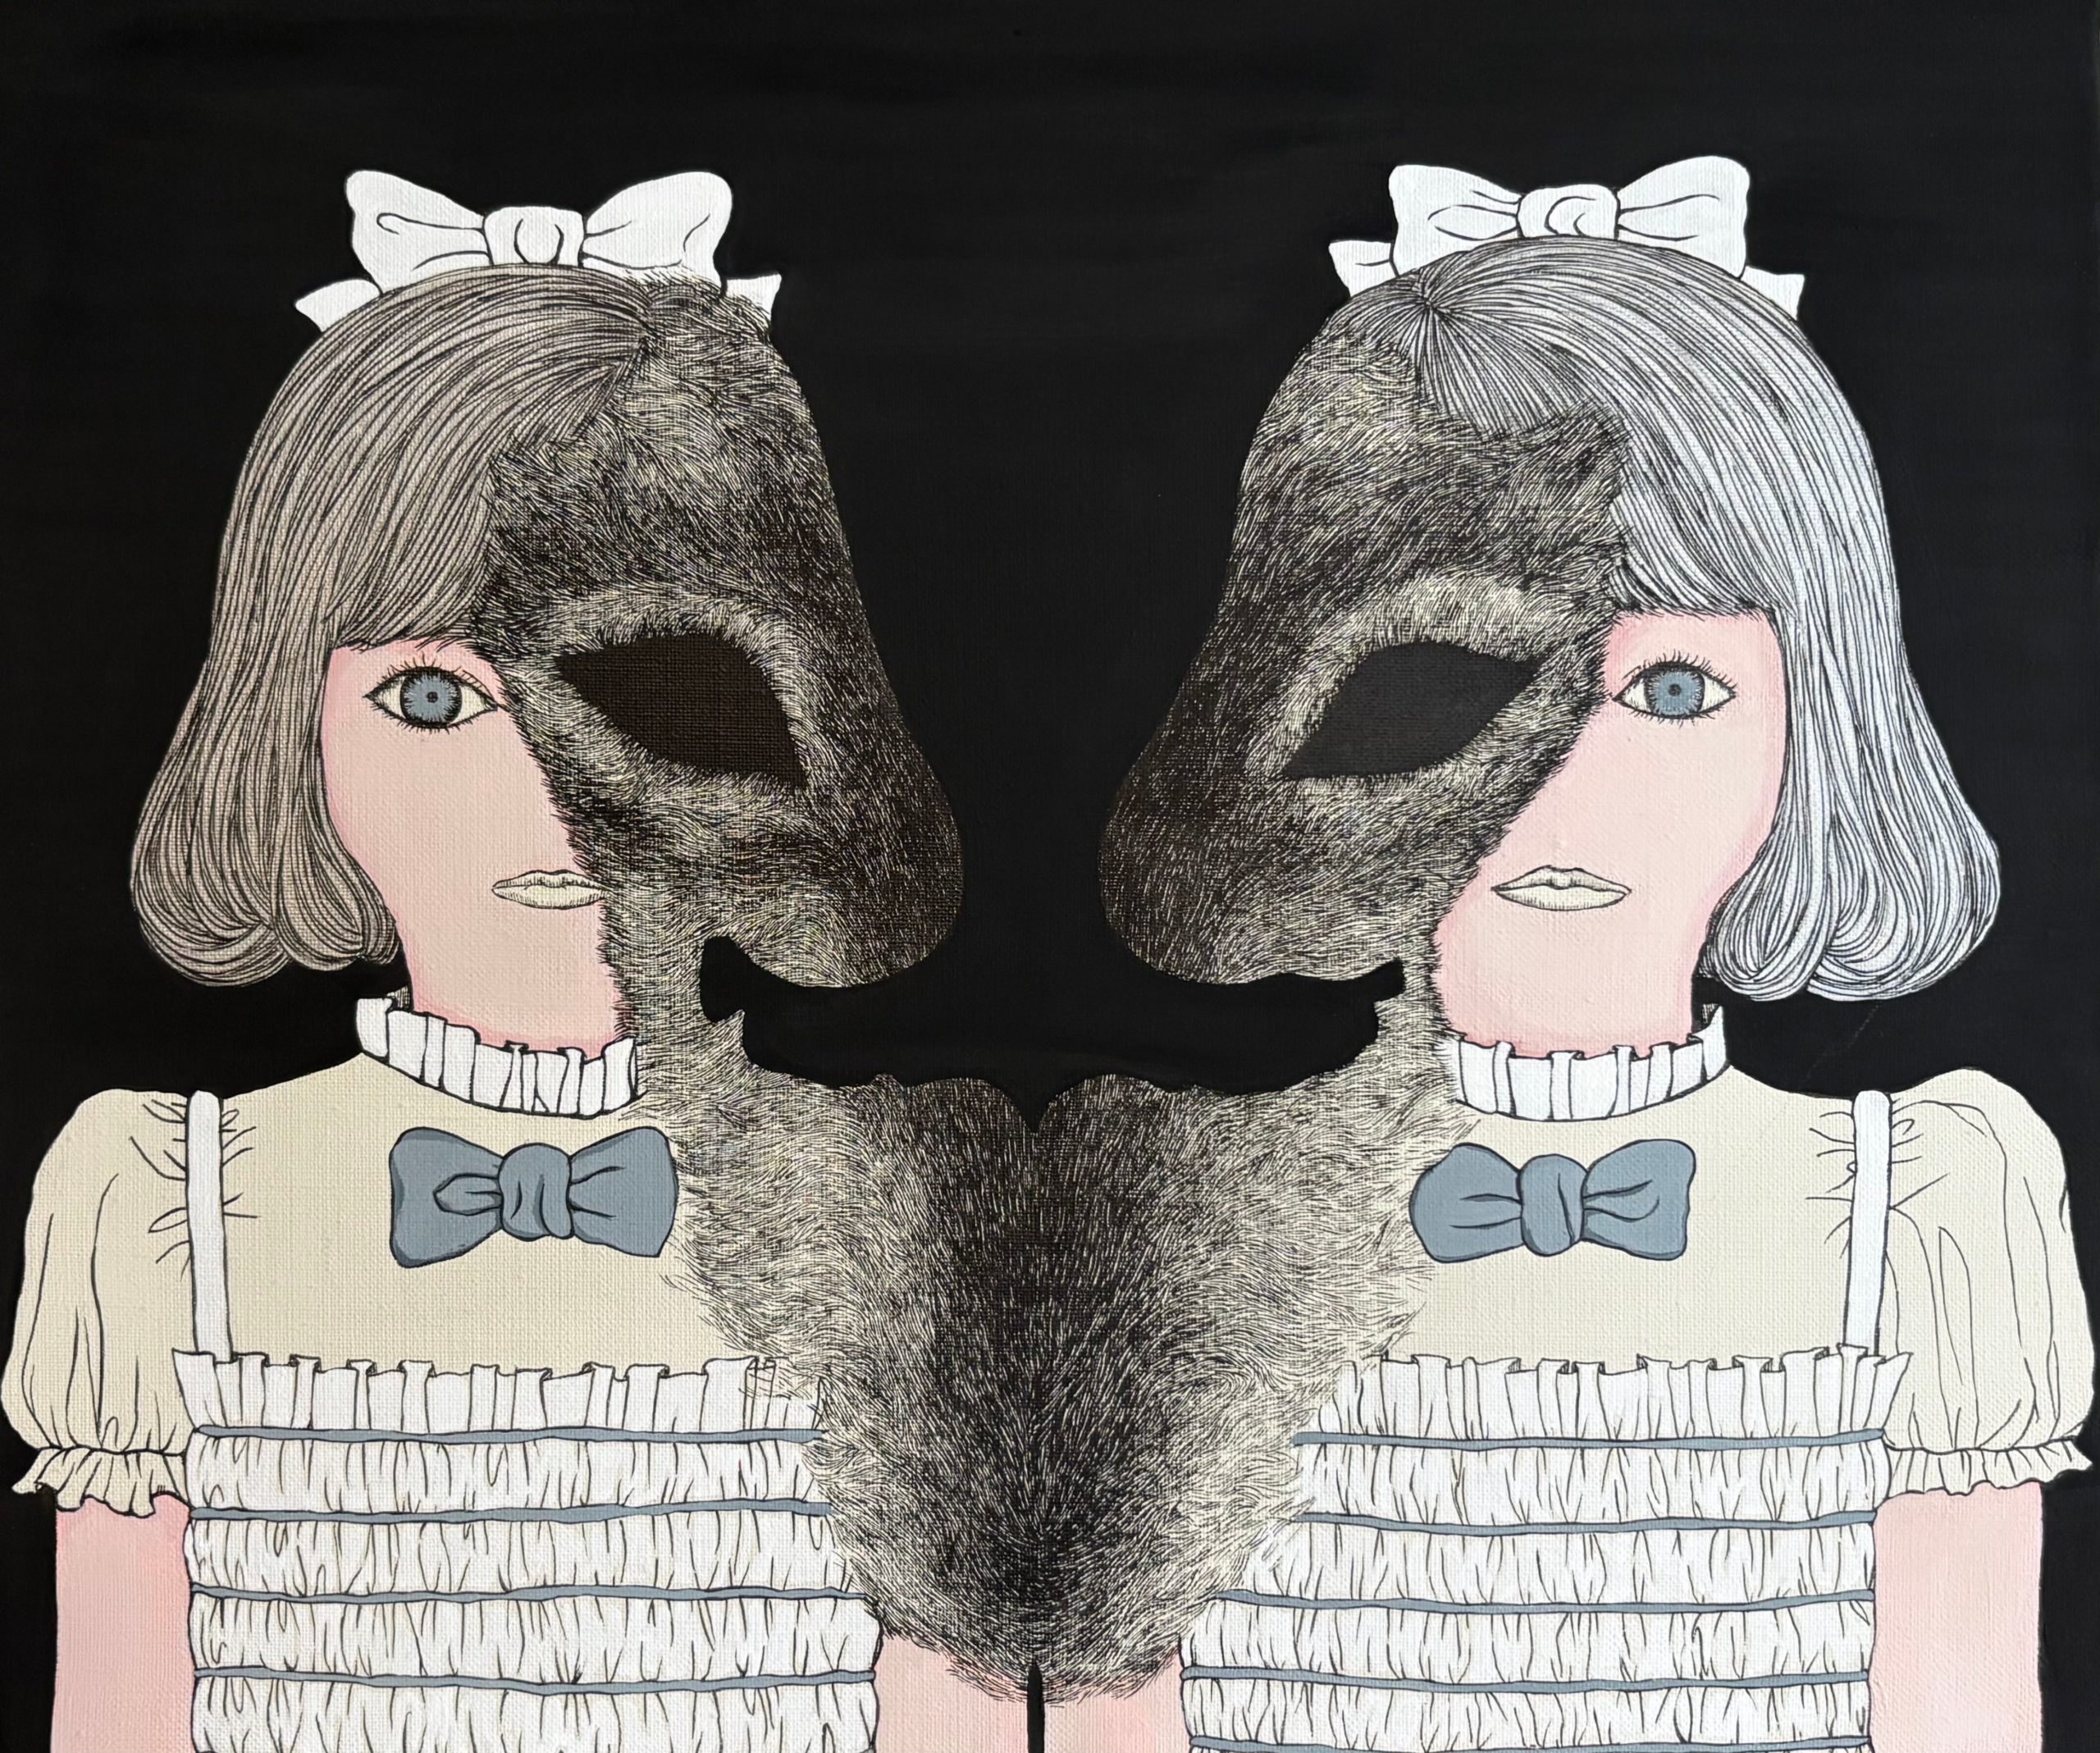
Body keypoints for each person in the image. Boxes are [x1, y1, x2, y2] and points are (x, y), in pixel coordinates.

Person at [2, 170, 947, 1753]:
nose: (547, 789)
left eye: (641, 687)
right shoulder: (165, 1210)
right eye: (437, 701)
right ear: (290, 726)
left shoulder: (893, 1213)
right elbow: (116, 1714)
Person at [1162, 160, 2093, 1753]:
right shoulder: (1179, 1213)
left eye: (1668, 691)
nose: (1562, 783)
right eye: (1456, 679)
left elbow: (1962, 1713)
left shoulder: (1922, 1205)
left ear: (1817, 715)